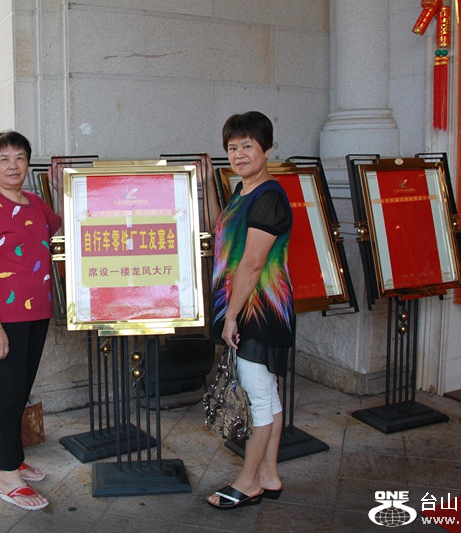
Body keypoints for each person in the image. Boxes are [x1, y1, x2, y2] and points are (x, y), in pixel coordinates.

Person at [0, 131, 61, 511]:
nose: (13, 165)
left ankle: (6, 457)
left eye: (20, 158)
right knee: (6, 397)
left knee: (18, 392)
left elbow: (66, 227)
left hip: (37, 314)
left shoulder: (36, 204)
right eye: (4, 159)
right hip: (3, 319)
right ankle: (8, 479)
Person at [207, 111, 293, 510]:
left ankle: (248, 483)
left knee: (259, 396)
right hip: (246, 308)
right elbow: (223, 233)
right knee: (267, 395)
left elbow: (254, 263)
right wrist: (206, 186)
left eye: (248, 146)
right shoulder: (242, 191)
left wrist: (231, 316)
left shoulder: (269, 196)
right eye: (232, 147)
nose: (239, 154)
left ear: (267, 149)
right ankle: (270, 475)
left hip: (257, 311)